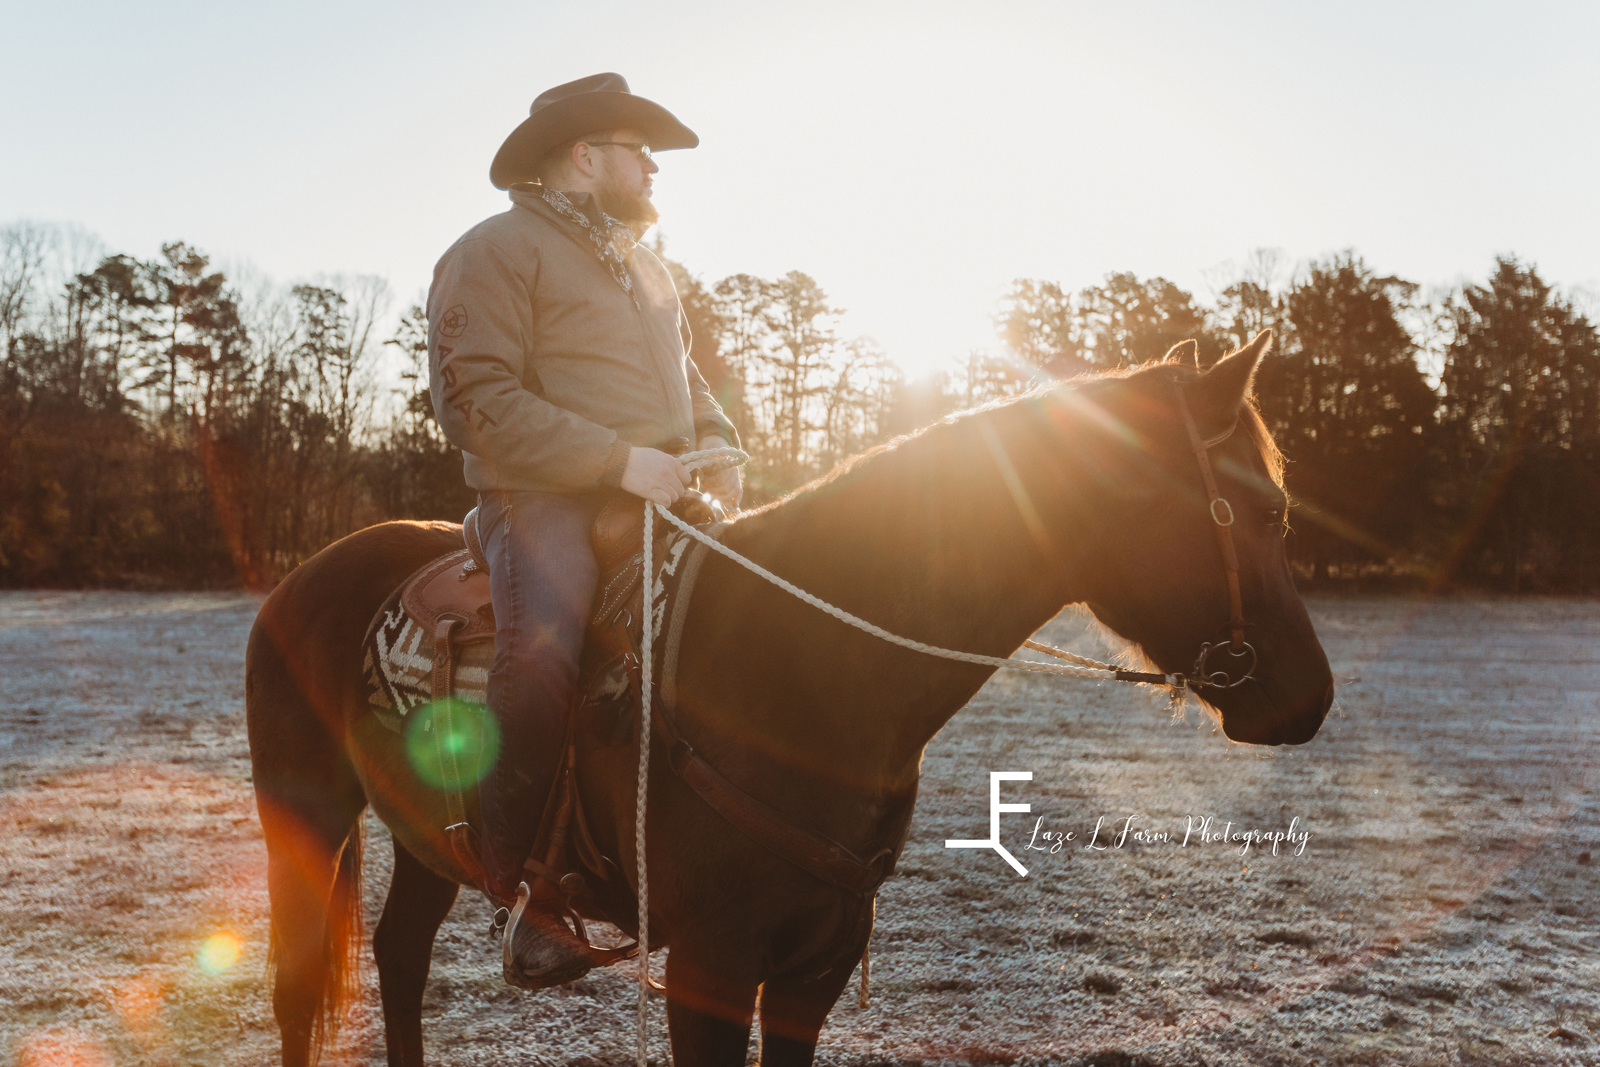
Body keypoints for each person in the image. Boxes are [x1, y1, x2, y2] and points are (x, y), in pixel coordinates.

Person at [426, 72, 741, 988]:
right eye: (638, 149)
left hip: (660, 490)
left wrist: (717, 438)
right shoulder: (491, 252)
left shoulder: (648, 266)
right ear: (585, 157)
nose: (652, 167)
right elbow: (475, 402)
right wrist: (614, 460)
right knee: (547, 648)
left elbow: (690, 377)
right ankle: (524, 894)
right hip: (541, 498)